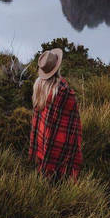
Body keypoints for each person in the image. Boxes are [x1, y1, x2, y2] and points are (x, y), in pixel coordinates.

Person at [28, 48, 83, 181]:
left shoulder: (38, 87)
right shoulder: (64, 92)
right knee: (63, 165)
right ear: (57, 67)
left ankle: (45, 172)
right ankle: (62, 177)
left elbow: (39, 118)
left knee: (46, 169)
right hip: (60, 142)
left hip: (42, 139)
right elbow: (73, 124)